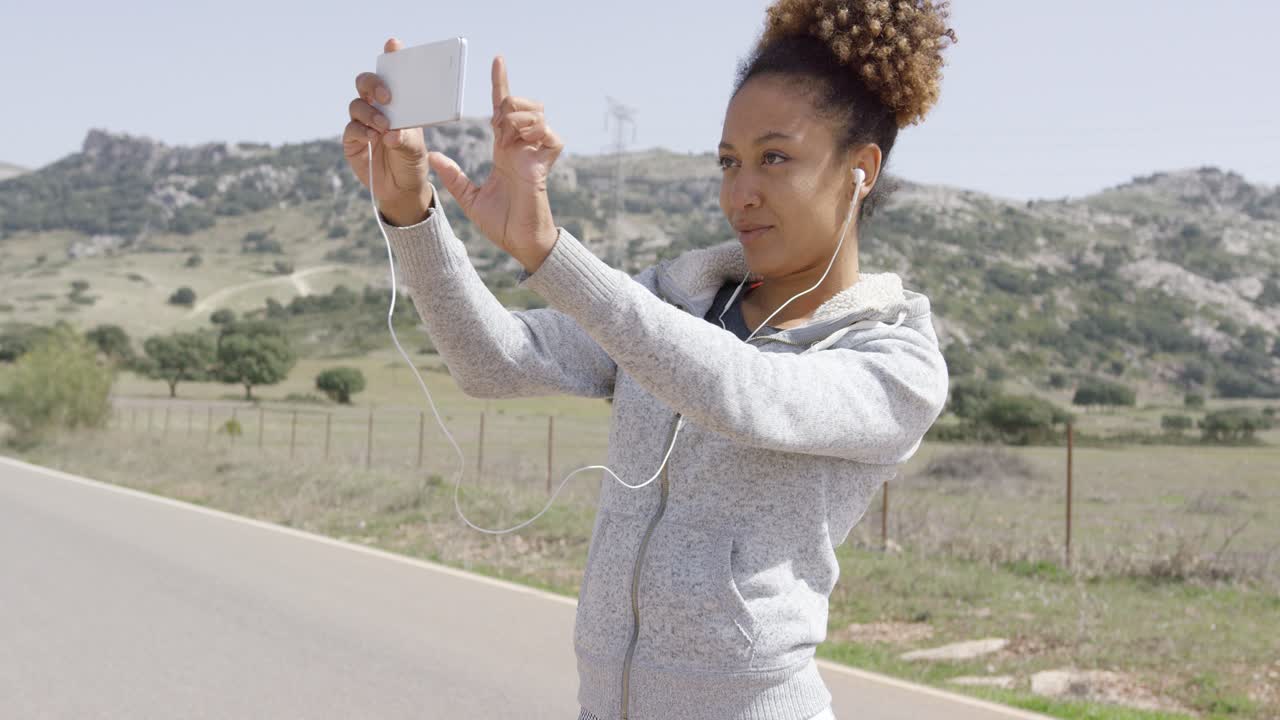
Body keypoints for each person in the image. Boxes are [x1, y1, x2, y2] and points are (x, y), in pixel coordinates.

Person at [343, 1, 956, 717]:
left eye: (775, 158)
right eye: (729, 162)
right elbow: (493, 360)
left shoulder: (895, 360)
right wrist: (410, 210)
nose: (740, 193)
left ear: (862, 169)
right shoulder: (675, 299)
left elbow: (744, 393)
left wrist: (550, 251)